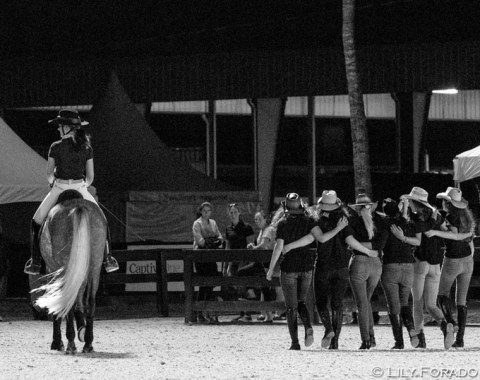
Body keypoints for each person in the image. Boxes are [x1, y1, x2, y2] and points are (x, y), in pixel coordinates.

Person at [23, 110, 118, 275]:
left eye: (60, 126)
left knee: (36, 220)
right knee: (103, 220)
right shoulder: (87, 147)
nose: (58, 129)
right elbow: (90, 177)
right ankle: (108, 258)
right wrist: (81, 185)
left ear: (68, 127)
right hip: (81, 188)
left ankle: (35, 262)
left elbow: (49, 173)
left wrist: (54, 183)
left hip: (59, 187)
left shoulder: (55, 146)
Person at [283, 190, 378, 350]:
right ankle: (335, 342)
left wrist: (290, 246)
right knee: (337, 304)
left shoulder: (316, 219)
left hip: (323, 265)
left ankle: (329, 329)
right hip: (341, 267)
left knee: (321, 303)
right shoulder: (343, 218)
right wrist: (368, 252)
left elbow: (314, 238)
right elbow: (350, 240)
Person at [403, 186, 470, 349]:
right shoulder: (438, 215)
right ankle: (445, 325)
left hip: (421, 263)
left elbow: (418, 236)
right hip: (436, 264)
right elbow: (448, 232)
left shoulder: (417, 217)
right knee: (431, 304)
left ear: (414, 202)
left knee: (418, 303)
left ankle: (420, 338)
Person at [266, 193, 317, 350]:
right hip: (307, 266)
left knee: (290, 307)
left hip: (289, 268)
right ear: (301, 205)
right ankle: (308, 326)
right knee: (301, 302)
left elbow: (279, 246)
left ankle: (295, 343)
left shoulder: (283, 223)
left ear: (285, 207)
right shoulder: (309, 220)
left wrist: (270, 268)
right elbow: (311, 239)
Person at [425, 187, 475, 349]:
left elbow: (454, 236)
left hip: (453, 259)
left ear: (448, 203)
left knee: (442, 294)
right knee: (461, 300)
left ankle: (451, 323)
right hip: (467, 259)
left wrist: (436, 232)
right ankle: (460, 339)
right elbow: (468, 240)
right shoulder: (467, 218)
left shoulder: (450, 217)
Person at [347, 193, 388, 349]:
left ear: (357, 208)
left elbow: (351, 243)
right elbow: (381, 244)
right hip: (376, 264)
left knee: (362, 304)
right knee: (367, 302)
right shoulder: (381, 221)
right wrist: (372, 249)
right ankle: (371, 336)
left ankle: (366, 340)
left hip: (359, 262)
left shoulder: (353, 221)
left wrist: (363, 248)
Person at [379, 197, 420, 349]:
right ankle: (411, 330)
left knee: (393, 306)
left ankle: (399, 342)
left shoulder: (384, 225)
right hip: (408, 266)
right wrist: (405, 207)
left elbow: (381, 244)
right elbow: (403, 218)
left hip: (391, 266)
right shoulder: (406, 223)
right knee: (404, 303)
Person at [192, 201, 224, 323]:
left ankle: (207, 310)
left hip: (211, 257)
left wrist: (213, 241)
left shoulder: (213, 223)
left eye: (208, 211)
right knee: (203, 284)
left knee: (211, 283)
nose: (206, 213)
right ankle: (200, 312)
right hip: (201, 257)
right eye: (204, 211)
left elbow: (220, 237)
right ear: (201, 211)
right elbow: (200, 242)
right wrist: (212, 241)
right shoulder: (197, 224)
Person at [224, 203, 255, 322]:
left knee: (245, 285)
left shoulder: (247, 227)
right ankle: (242, 312)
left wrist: (248, 262)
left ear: (239, 213)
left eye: (235, 212)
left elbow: (250, 245)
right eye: (231, 213)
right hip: (233, 261)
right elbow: (227, 246)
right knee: (237, 287)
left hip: (244, 260)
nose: (233, 214)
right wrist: (226, 264)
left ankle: (248, 313)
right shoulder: (228, 229)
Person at [247, 210, 276, 323]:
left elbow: (264, 245)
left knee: (265, 286)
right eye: (255, 219)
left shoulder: (269, 230)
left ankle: (268, 313)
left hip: (267, 262)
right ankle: (266, 313)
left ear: (265, 219)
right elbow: (260, 244)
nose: (257, 221)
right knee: (264, 287)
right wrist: (253, 246)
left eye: (259, 219)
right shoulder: (261, 231)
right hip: (261, 262)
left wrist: (253, 248)